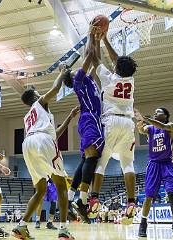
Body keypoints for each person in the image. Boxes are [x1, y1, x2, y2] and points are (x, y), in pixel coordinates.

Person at [11, 70, 79, 240]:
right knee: (61, 185)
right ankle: (63, 229)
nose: (41, 94)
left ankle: (21, 226)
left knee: (40, 190)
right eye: (38, 92)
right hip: (42, 141)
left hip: (28, 144)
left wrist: (69, 118)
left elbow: (53, 133)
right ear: (34, 96)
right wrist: (63, 73)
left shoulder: (29, 117)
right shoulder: (40, 102)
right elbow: (56, 88)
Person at [89, 24, 138, 225]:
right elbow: (119, 61)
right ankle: (131, 203)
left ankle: (94, 198)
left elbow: (94, 59)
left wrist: (94, 38)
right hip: (128, 123)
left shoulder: (108, 78)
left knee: (101, 162)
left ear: (116, 68)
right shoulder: (131, 80)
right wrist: (106, 39)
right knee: (128, 163)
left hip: (110, 121)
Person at [63, 25, 104, 223]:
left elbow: (96, 61)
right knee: (92, 158)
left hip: (88, 120)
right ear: (72, 77)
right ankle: (82, 199)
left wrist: (98, 40)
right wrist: (90, 35)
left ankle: (71, 199)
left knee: (86, 159)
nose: (76, 70)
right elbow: (88, 57)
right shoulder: (78, 79)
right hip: (90, 119)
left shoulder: (87, 80)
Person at [135, 108, 173, 238]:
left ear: (165, 115)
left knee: (172, 194)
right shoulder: (150, 128)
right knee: (149, 196)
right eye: (154, 112)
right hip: (154, 165)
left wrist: (146, 119)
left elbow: (162, 126)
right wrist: (139, 122)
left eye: (159, 112)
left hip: (167, 164)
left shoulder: (170, 126)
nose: (155, 113)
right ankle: (143, 223)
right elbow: (141, 130)